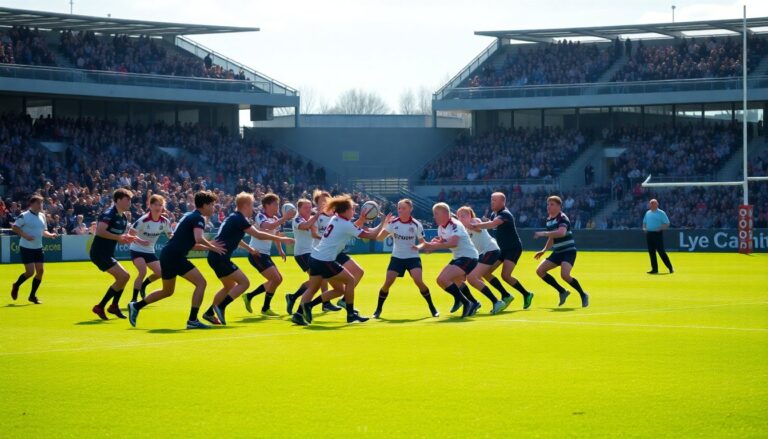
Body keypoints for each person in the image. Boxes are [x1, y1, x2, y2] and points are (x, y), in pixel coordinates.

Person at [127, 191, 225, 329]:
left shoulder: (190, 216)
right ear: (204, 205)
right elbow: (198, 238)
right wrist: (213, 247)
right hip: (175, 256)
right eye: (212, 205)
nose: (214, 208)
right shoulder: (198, 218)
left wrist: (209, 247)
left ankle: (136, 306)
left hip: (169, 254)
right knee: (201, 283)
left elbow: (192, 244)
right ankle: (192, 320)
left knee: (167, 291)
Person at [291, 195, 391, 326]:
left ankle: (300, 313)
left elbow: (352, 228)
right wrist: (383, 223)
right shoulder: (345, 224)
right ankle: (350, 314)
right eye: (352, 210)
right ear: (345, 211)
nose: (354, 212)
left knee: (317, 288)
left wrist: (362, 220)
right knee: (350, 280)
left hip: (315, 257)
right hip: (325, 260)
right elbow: (372, 235)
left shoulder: (335, 218)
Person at [202, 192, 294, 326]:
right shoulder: (239, 219)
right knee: (244, 283)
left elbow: (237, 238)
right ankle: (221, 307)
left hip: (216, 256)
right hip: (220, 256)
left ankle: (209, 313)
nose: (253, 208)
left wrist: (250, 249)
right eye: (251, 205)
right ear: (245, 205)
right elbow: (259, 234)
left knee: (229, 286)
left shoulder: (233, 218)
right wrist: (281, 239)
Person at [372, 199, 438, 319]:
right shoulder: (393, 223)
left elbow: (423, 243)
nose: (400, 210)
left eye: (403, 208)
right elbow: (379, 239)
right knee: (387, 283)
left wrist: (417, 247)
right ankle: (378, 310)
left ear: (410, 209)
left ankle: (432, 308)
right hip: (397, 258)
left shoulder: (416, 224)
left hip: (413, 258)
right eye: (399, 208)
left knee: (419, 281)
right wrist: (385, 224)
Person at [469, 192, 533, 309]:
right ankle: (505, 295)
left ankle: (527, 294)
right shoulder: (495, 214)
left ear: (502, 202)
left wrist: (478, 225)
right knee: (486, 272)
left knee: (505, 275)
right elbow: (493, 223)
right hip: (500, 249)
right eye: (491, 200)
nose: (491, 202)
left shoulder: (505, 214)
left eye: (494, 200)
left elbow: (493, 224)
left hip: (512, 248)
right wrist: (486, 221)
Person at [90, 189, 147, 320]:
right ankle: (101, 306)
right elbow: (100, 231)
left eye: (130, 199)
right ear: (118, 200)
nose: (130, 202)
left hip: (107, 253)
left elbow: (121, 236)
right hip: (99, 253)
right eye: (127, 199)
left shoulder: (123, 217)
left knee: (124, 277)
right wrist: (119, 237)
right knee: (124, 276)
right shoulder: (109, 213)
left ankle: (113, 306)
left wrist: (134, 239)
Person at [415, 203, 478, 318]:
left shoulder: (455, 224)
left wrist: (433, 246)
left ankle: (466, 303)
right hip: (459, 257)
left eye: (436, 214)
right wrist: (433, 245)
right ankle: (473, 302)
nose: (434, 216)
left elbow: (453, 243)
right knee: (444, 281)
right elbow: (444, 242)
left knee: (443, 279)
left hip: (469, 257)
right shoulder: (441, 228)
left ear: (445, 214)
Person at [283, 198, 340, 314]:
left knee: (317, 280)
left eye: (310, 207)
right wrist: (316, 216)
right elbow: (305, 226)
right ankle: (305, 306)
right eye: (306, 207)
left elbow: (314, 232)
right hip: (302, 254)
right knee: (317, 281)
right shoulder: (297, 219)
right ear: (299, 209)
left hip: (311, 253)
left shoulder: (311, 219)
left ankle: (294, 298)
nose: (309, 209)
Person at [241, 193, 295, 316]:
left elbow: (275, 235)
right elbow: (268, 226)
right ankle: (264, 307)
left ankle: (251, 297)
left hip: (265, 254)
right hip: (256, 253)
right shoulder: (260, 216)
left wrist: (280, 249)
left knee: (278, 279)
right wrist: (285, 218)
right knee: (275, 279)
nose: (278, 206)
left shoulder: (275, 219)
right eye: (275, 204)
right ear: (267, 205)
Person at [533, 196, 589, 308]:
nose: (548, 206)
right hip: (558, 252)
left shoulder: (562, 218)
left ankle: (583, 294)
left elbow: (561, 232)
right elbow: (552, 237)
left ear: (559, 206)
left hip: (568, 251)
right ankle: (562, 291)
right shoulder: (549, 220)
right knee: (540, 271)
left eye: (552, 204)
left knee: (564, 275)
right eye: (548, 204)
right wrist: (544, 250)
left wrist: (543, 234)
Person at [456, 206, 508, 315]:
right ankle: (474, 302)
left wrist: (464, 224)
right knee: (463, 277)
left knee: (472, 277)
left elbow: (477, 227)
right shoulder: (463, 230)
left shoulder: (475, 221)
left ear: (470, 215)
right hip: (482, 254)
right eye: (458, 216)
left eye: (463, 215)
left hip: (491, 251)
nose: (460, 218)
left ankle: (496, 302)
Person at [10, 195, 58, 304]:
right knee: (30, 272)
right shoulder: (24, 215)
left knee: (40, 271)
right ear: (31, 204)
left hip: (38, 247)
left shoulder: (42, 216)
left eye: (41, 203)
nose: (41, 205)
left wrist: (50, 235)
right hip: (26, 247)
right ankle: (16, 285)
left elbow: (43, 231)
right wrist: (25, 235)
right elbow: (15, 227)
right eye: (38, 203)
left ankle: (32, 296)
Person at [127, 194, 172, 303]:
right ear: (150, 206)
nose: (158, 207)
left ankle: (144, 285)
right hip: (136, 250)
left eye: (160, 205)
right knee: (142, 271)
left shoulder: (165, 221)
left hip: (150, 251)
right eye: (156, 204)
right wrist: (141, 241)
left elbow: (170, 235)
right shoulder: (143, 220)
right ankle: (134, 299)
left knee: (161, 273)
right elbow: (129, 234)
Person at [643, 198, 673, 274]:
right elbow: (644, 222)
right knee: (651, 252)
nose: (652, 205)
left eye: (653, 203)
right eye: (651, 203)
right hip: (649, 234)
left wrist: (660, 228)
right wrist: (644, 228)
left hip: (657, 234)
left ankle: (670, 267)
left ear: (657, 204)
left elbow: (667, 223)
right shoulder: (648, 213)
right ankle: (654, 269)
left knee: (661, 252)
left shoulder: (661, 213)